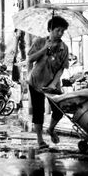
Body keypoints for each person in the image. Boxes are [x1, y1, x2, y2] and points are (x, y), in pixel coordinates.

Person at [27, 16, 69, 149]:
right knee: (38, 111)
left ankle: (50, 129)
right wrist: (45, 48)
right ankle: (40, 140)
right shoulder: (39, 42)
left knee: (59, 110)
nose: (60, 33)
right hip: (36, 81)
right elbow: (30, 59)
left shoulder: (64, 48)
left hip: (53, 83)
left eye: (63, 31)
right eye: (58, 30)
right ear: (50, 30)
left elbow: (62, 68)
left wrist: (53, 84)